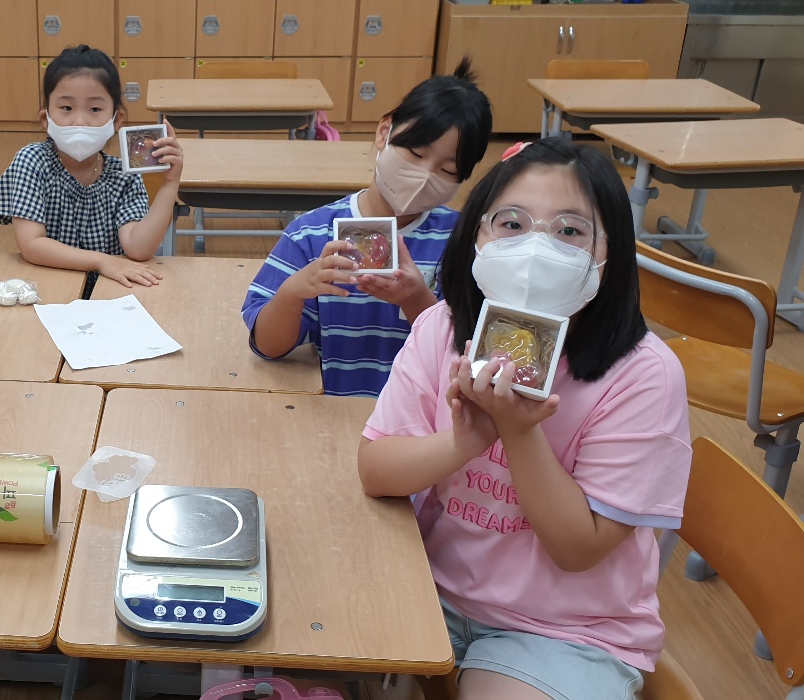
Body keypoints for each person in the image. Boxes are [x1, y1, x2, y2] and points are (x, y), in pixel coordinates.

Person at [357, 138, 692, 700]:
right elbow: (375, 470)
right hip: (430, 585)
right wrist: (463, 442)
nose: (537, 248)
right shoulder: (445, 327)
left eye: (570, 231)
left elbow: (577, 549)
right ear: (477, 234)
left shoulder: (644, 375)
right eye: (511, 223)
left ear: (608, 254)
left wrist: (517, 430)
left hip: (563, 630)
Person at [242, 60, 492, 396]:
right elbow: (268, 347)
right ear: (384, 132)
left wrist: (418, 301)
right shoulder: (310, 234)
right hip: (333, 410)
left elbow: (472, 356)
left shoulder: (464, 243)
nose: (424, 175)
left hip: (423, 418)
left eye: (447, 170)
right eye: (415, 153)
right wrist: (293, 292)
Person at [0, 44, 183, 295]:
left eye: (95, 109)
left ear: (116, 119)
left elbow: (138, 248)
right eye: (66, 108)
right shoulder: (32, 161)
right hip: (50, 288)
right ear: (46, 119)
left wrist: (170, 183)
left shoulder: (123, 175)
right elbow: (32, 245)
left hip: (107, 291)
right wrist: (102, 261)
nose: (80, 121)